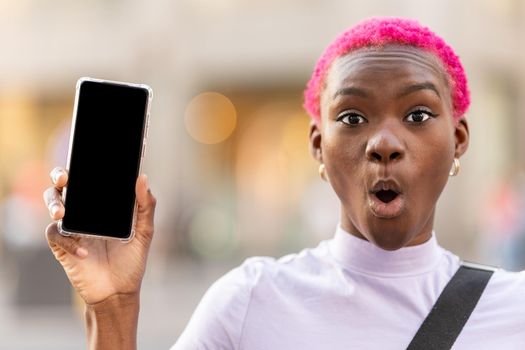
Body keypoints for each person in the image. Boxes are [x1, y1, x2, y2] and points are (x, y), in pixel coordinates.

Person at [43, 17, 525, 349]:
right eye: (352, 117)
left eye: (417, 114)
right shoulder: (250, 301)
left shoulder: (514, 309)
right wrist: (113, 306)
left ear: (458, 140)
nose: (383, 143)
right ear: (319, 145)